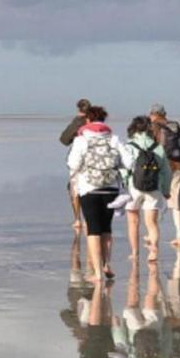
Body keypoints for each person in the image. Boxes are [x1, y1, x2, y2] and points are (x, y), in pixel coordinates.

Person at [67, 105, 128, 281]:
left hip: (89, 188)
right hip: (111, 187)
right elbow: (128, 161)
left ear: (87, 120)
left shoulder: (81, 140)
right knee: (106, 228)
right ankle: (106, 264)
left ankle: (98, 274)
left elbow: (73, 164)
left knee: (93, 229)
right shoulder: (114, 139)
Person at [119, 115, 171, 262]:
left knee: (133, 222)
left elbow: (124, 169)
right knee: (151, 222)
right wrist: (166, 190)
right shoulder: (157, 147)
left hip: (133, 188)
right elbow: (166, 171)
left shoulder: (128, 146)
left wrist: (123, 184)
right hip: (154, 187)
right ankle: (154, 250)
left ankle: (135, 253)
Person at [149, 104, 180, 246]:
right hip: (179, 166)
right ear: (164, 114)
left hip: (162, 167)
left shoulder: (153, 126)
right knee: (176, 201)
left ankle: (152, 234)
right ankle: (179, 235)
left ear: (153, 114)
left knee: (156, 200)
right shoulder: (175, 125)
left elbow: (150, 147)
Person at [60, 98, 92, 230]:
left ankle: (78, 219)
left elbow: (64, 139)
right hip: (97, 158)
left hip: (79, 159)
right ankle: (89, 218)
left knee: (74, 188)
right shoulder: (96, 121)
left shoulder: (78, 121)